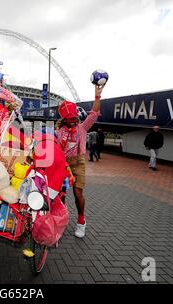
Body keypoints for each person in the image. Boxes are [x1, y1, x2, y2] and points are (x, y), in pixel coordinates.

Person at [55, 84, 104, 238]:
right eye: (70, 120)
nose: (74, 122)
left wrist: (97, 96)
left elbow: (94, 112)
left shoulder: (82, 128)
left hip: (78, 163)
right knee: (60, 194)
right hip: (62, 164)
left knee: (77, 193)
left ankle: (81, 221)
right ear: (64, 120)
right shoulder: (58, 132)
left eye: (75, 119)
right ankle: (61, 221)